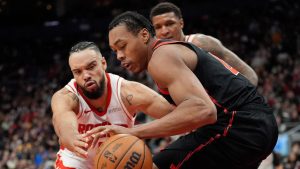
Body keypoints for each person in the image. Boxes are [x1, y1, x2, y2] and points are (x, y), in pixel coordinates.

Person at [86, 11, 278, 169]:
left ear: (144, 35)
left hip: (238, 127)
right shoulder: (169, 52)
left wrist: (133, 132)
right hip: (258, 124)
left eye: (123, 46)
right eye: (115, 51)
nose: (119, 56)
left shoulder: (160, 57)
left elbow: (203, 110)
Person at [51, 41, 174, 169]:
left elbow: (177, 117)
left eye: (91, 67)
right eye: (78, 72)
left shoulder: (128, 92)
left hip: (120, 158)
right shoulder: (66, 97)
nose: (86, 75)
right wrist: (71, 138)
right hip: (77, 162)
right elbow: (62, 122)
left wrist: (136, 132)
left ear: (103, 63)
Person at [149, 2, 258, 86]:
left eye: (169, 24)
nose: (164, 31)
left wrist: (244, 106)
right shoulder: (162, 60)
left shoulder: (201, 43)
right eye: (158, 27)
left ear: (181, 23)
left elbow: (249, 74)